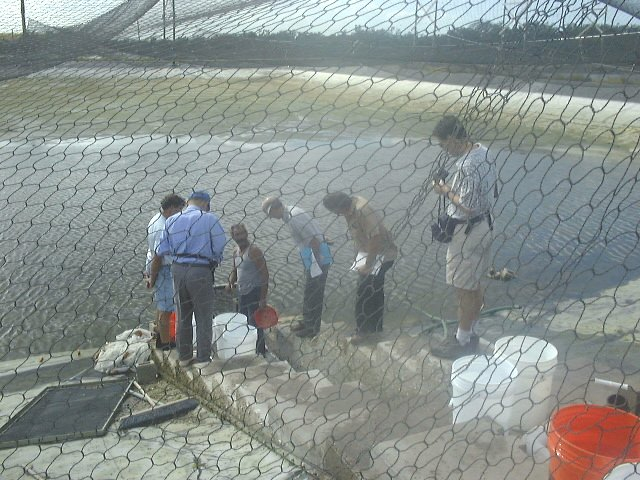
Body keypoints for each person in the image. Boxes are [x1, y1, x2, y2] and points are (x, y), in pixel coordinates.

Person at [430, 115, 496, 359]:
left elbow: (467, 205)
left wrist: (444, 189)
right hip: (484, 226)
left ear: (452, 139)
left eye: (443, 144)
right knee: (474, 284)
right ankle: (470, 332)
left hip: (467, 231)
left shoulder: (467, 165)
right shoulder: (484, 151)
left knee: (462, 290)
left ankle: (461, 340)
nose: (444, 150)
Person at [150, 191, 226, 368]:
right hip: (200, 270)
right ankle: (203, 358)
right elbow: (220, 245)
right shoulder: (209, 219)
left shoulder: (171, 220)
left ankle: (184, 357)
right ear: (205, 204)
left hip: (177, 270)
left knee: (183, 315)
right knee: (203, 316)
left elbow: (161, 250)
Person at [322, 192, 397, 345]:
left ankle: (362, 331)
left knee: (363, 292)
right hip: (369, 254)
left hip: (381, 255)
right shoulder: (349, 208)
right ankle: (375, 328)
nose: (336, 214)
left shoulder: (362, 210)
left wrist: (368, 265)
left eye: (335, 211)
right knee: (374, 291)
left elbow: (375, 238)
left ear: (339, 207)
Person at [261, 196, 332, 338]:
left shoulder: (293, 217)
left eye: (270, 215)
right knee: (309, 290)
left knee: (314, 292)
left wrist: (316, 263)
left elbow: (313, 241)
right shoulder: (291, 213)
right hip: (311, 254)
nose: (272, 218)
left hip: (317, 256)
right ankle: (307, 320)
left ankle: (312, 327)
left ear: (274, 209)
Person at [145, 193, 186, 349]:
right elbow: (158, 257)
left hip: (157, 266)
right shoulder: (162, 226)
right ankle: (165, 343)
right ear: (171, 208)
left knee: (162, 303)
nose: (181, 213)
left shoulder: (157, 218)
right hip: (162, 269)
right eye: (179, 209)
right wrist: (153, 278)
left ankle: (157, 330)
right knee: (167, 308)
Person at [227, 224, 269, 356]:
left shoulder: (254, 251)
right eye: (237, 235)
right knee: (242, 321)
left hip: (254, 291)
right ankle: (248, 347)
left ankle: (260, 350)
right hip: (241, 292)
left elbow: (265, 274)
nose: (240, 237)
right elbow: (235, 271)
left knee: (255, 322)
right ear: (233, 237)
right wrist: (230, 283)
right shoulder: (235, 251)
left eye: (242, 233)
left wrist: (263, 298)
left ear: (246, 233)